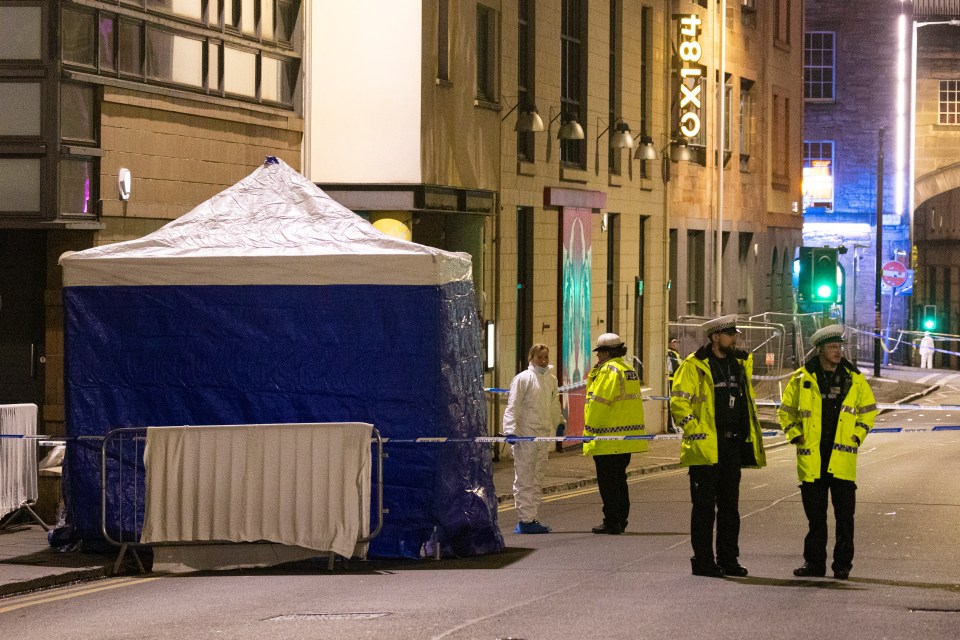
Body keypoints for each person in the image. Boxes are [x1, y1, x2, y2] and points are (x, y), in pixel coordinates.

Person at [670, 315, 766, 577]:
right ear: (715, 337)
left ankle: (729, 559)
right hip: (705, 448)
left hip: (732, 445)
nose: (735, 338)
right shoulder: (694, 366)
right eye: (729, 334)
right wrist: (695, 430)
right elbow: (679, 403)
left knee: (730, 508)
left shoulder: (738, 364)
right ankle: (703, 561)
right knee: (703, 509)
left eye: (735, 333)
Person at [778, 324, 877, 580]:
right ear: (820, 349)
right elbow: (785, 411)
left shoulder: (853, 379)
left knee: (845, 519)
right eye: (833, 347)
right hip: (813, 460)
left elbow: (868, 410)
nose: (838, 351)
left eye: (840, 347)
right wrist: (795, 434)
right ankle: (815, 564)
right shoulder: (802, 378)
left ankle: (842, 565)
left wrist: (857, 435)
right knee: (816, 519)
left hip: (842, 460)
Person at [583, 333, 648, 535]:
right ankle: (621, 518)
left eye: (599, 353)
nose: (597, 358)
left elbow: (599, 403)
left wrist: (589, 431)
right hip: (626, 438)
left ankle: (612, 521)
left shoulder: (608, 371)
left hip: (607, 438)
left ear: (605, 352)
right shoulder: (628, 370)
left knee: (608, 482)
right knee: (620, 479)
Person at [503, 344, 565, 534]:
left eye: (546, 357)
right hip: (526, 435)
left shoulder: (551, 380)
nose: (544, 361)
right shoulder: (523, 379)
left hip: (542, 434)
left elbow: (554, 404)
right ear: (531, 358)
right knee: (525, 477)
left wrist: (559, 422)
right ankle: (525, 520)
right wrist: (509, 430)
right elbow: (513, 406)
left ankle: (531, 517)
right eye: (540, 357)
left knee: (537, 477)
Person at [666, 337, 682, 434]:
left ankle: (674, 423)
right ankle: (670, 425)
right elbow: (676, 367)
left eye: (677, 342)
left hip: (675, 381)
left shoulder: (675, 353)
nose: (676, 344)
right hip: (671, 381)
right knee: (670, 403)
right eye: (674, 342)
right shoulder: (670, 353)